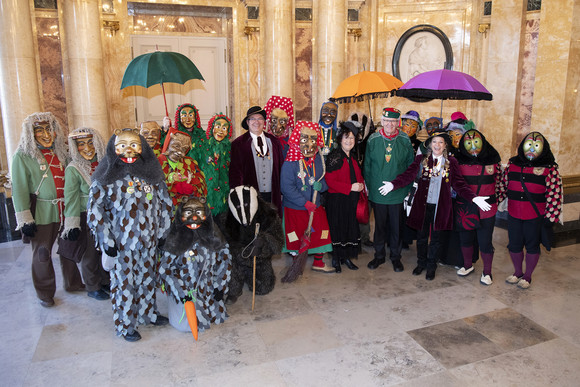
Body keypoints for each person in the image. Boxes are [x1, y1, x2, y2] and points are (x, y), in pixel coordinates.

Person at [88, 128, 173, 341]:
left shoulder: (152, 172)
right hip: (121, 242)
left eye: (134, 145)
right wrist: (106, 241)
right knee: (124, 284)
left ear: (143, 148)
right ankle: (125, 324)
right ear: (113, 148)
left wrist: (163, 233)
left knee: (147, 278)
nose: (128, 150)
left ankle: (148, 313)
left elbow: (165, 204)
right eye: (122, 145)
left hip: (149, 240)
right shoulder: (105, 175)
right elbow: (95, 210)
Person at [381, 132, 491, 280]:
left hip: (441, 207)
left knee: (436, 239)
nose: (437, 145)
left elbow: (459, 184)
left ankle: (432, 265)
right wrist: (393, 184)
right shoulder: (421, 159)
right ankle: (421, 263)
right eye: (434, 142)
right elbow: (408, 175)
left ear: (445, 145)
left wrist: (474, 198)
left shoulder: (451, 162)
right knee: (421, 237)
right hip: (422, 205)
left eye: (440, 142)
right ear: (430, 144)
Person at [12, 112, 84, 307]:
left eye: (49, 129)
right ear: (30, 133)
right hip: (42, 213)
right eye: (40, 130)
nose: (46, 134)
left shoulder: (63, 152)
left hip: (66, 209)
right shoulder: (22, 156)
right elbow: (19, 189)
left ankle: (73, 283)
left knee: (69, 248)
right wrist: (25, 219)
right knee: (42, 253)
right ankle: (44, 292)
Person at [500, 132, 562, 289]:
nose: (532, 150)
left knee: (532, 245)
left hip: (535, 215)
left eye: (536, 146)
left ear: (543, 148)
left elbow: (555, 194)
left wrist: (551, 217)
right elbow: (502, 186)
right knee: (514, 245)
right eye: (529, 146)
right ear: (522, 147)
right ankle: (517, 272)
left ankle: (527, 276)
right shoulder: (512, 165)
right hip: (514, 213)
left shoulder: (550, 169)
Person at [60, 127, 110, 300]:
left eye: (90, 142)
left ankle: (104, 280)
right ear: (75, 146)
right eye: (81, 144)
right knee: (89, 253)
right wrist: (72, 224)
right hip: (86, 215)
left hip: (106, 214)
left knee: (104, 249)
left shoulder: (105, 162)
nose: (87, 147)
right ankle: (92, 285)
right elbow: (71, 198)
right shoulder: (73, 169)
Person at [364, 108, 414, 272]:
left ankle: (395, 257)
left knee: (396, 227)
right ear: (382, 122)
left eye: (393, 121)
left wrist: (406, 188)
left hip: (398, 192)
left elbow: (410, 167)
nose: (389, 124)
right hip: (378, 193)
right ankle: (378, 256)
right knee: (379, 227)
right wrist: (369, 187)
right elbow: (368, 166)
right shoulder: (373, 139)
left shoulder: (405, 140)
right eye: (386, 121)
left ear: (397, 123)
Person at [281, 120, 334, 273]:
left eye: (313, 139)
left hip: (315, 206)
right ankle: (296, 263)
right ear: (298, 140)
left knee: (321, 232)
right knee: (295, 236)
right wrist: (304, 203)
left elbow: (324, 180)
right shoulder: (289, 163)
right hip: (295, 208)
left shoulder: (319, 159)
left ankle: (318, 262)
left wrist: (321, 186)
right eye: (305, 139)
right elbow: (286, 188)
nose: (310, 144)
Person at [454, 129, 504, 285]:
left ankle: (487, 272)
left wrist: (494, 200)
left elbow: (501, 183)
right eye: (469, 143)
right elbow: (455, 183)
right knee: (466, 239)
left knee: (485, 241)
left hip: (487, 208)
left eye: (476, 142)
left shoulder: (493, 160)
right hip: (465, 207)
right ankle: (467, 265)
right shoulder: (457, 160)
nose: (473, 146)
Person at [325, 121, 365, 272]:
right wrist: (350, 187)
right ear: (340, 139)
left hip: (351, 200)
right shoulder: (334, 156)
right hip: (337, 200)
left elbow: (357, 175)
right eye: (346, 137)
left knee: (349, 228)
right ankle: (336, 259)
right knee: (337, 228)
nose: (349, 141)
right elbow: (330, 181)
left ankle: (346, 257)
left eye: (352, 138)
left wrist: (361, 184)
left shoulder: (353, 157)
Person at [229, 106, 283, 216]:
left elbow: (281, 168)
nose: (256, 122)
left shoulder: (274, 142)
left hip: (272, 195)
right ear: (248, 122)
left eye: (259, 118)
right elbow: (235, 174)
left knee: (272, 225)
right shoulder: (238, 144)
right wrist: (241, 196)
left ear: (264, 122)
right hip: (250, 196)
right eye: (253, 119)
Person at [158, 130, 207, 207]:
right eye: (176, 146)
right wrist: (175, 187)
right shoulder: (157, 163)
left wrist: (189, 188)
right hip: (164, 211)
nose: (180, 152)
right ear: (168, 143)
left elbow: (201, 187)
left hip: (185, 211)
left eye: (183, 149)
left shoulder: (190, 163)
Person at [197, 113, 232, 216]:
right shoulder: (202, 145)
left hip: (223, 193)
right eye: (218, 126)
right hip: (206, 192)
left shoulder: (230, 148)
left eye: (224, 128)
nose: (220, 130)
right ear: (211, 128)